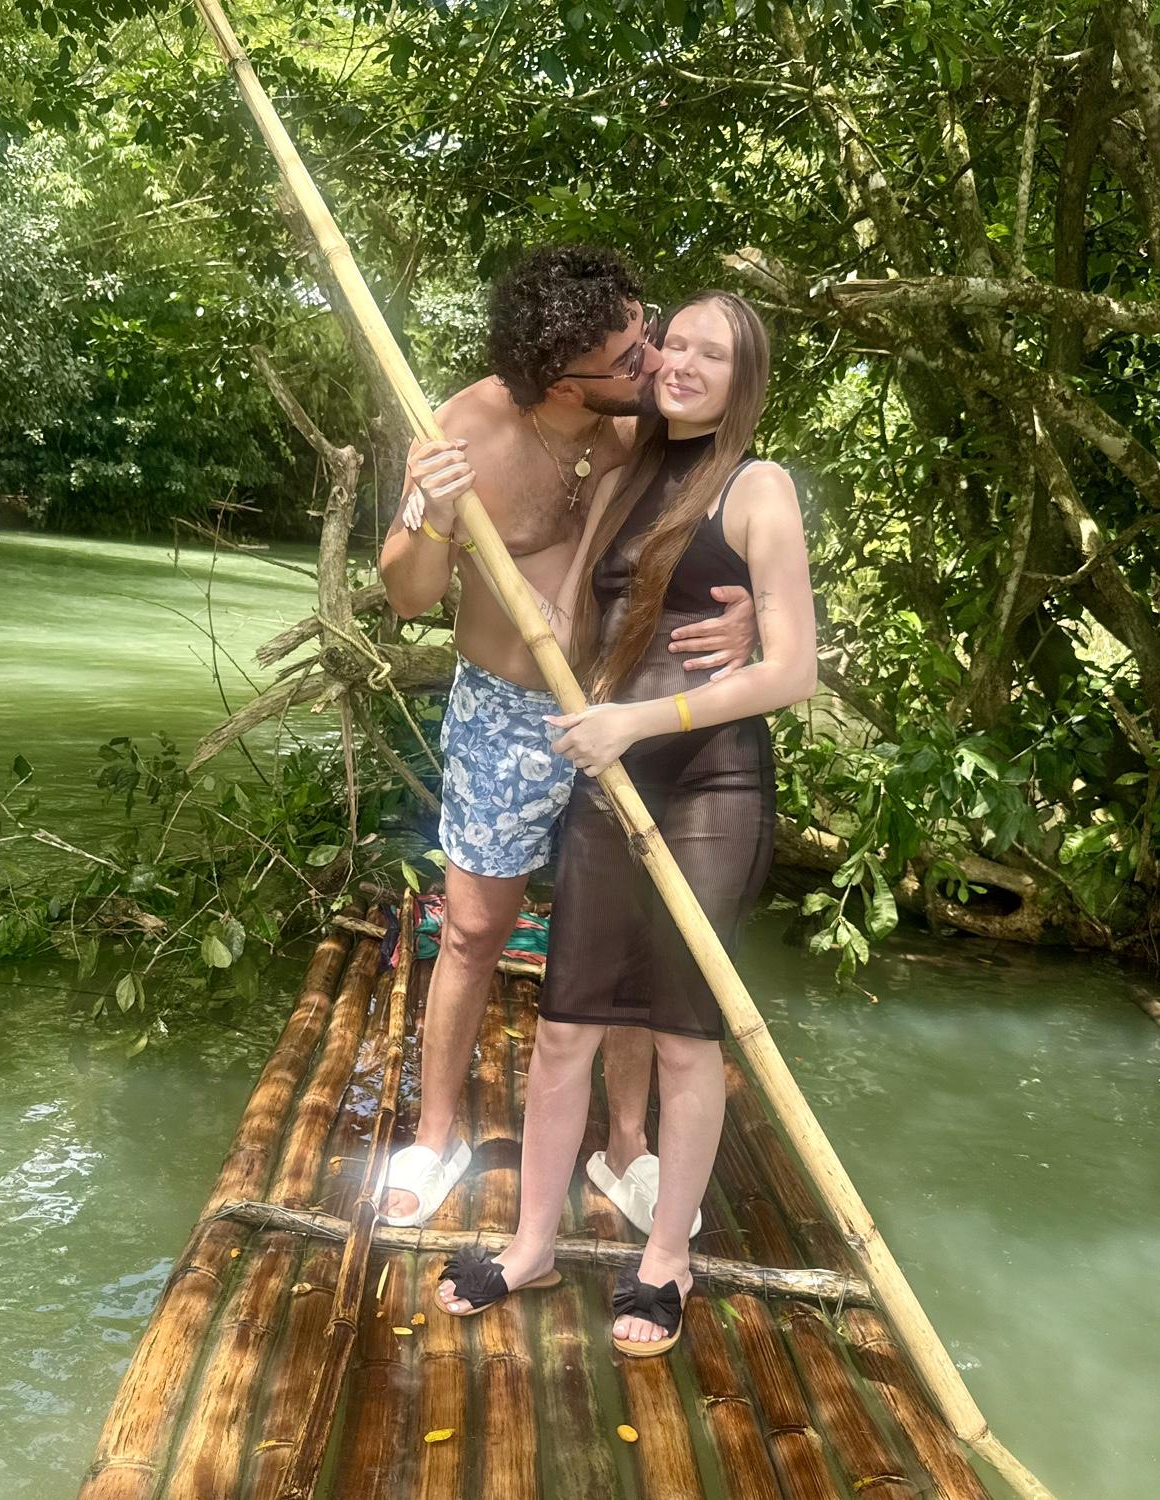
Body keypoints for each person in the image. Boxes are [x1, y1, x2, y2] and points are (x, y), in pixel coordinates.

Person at [433, 290, 819, 1359]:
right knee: (564, 1027)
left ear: (746, 383)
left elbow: (794, 668)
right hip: (610, 782)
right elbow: (574, 615)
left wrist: (643, 714)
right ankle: (529, 1250)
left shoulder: (759, 487)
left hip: (710, 785)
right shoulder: (619, 467)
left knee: (687, 1040)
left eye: (714, 354)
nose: (683, 362)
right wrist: (461, 549)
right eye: (675, 343)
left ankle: (664, 1265)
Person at [377, 247, 759, 1229]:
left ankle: (623, 1146)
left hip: (623, 705)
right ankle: (436, 1138)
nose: (655, 365)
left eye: (651, 332)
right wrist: (429, 511)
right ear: (560, 377)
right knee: (471, 929)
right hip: (506, 710)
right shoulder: (467, 431)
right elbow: (408, 596)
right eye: (631, 356)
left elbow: (732, 520)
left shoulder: (651, 421)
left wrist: (749, 619)